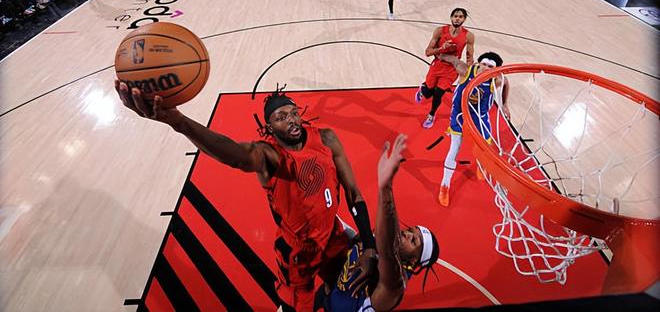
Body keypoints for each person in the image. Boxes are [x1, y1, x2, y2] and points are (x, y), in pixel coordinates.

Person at [114, 84, 378, 311]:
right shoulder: (269, 156)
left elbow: (353, 193)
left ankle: (327, 297)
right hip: (298, 253)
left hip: (332, 235)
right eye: (281, 117)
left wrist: (368, 245)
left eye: (293, 113)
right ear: (269, 128)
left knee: (344, 285)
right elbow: (235, 155)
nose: (291, 120)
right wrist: (180, 122)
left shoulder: (326, 139)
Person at [323, 134, 440, 311]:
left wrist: (385, 188)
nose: (407, 234)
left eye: (413, 240)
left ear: (414, 260)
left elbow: (387, 252)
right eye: (411, 230)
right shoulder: (376, 241)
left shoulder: (395, 282)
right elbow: (363, 239)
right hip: (330, 298)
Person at [435, 52, 510, 207]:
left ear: (495, 70)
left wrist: (504, 104)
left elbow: (506, 83)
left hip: (479, 117)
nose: (486, 68)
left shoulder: (496, 79)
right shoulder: (465, 70)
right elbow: (453, 59)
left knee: (485, 147)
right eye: (484, 64)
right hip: (460, 115)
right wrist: (439, 55)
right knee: (454, 149)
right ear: (478, 63)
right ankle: (444, 186)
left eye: (490, 67)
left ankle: (481, 165)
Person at [415, 8, 475, 129]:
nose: (457, 19)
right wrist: (441, 48)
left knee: (438, 93)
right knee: (428, 92)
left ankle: (431, 115)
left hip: (451, 69)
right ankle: (423, 90)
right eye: (455, 16)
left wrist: (469, 71)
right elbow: (427, 52)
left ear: (464, 19)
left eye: (460, 17)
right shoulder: (440, 31)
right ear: (451, 17)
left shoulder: (469, 36)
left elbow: (469, 58)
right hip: (437, 65)